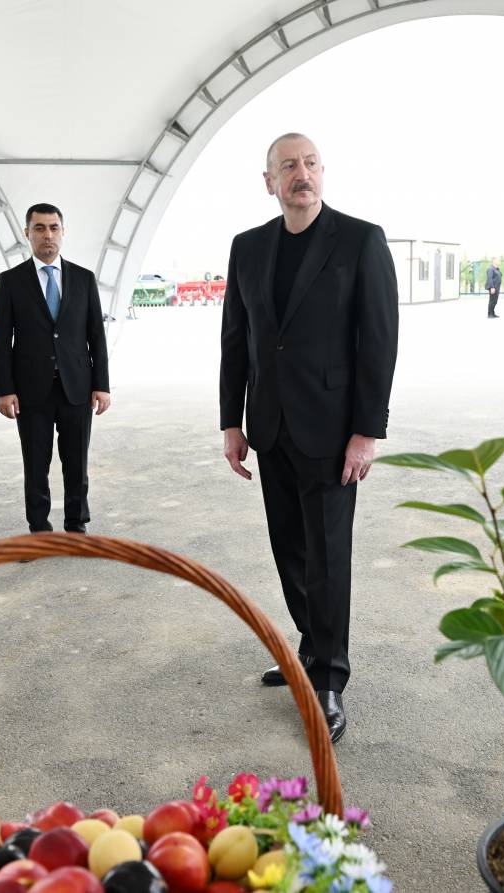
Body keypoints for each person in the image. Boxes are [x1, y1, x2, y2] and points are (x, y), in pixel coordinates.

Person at [219, 133, 399, 743]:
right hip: (271, 427)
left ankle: (328, 678)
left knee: (327, 557)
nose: (303, 174)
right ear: (269, 181)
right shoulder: (248, 248)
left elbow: (379, 342)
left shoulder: (360, 240)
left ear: (323, 172)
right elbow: (236, 339)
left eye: (311, 163)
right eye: (289, 166)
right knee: (290, 550)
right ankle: (310, 646)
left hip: (332, 430)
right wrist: (232, 421)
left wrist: (366, 432)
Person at [0, 203, 110, 535]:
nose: (48, 235)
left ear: (62, 232)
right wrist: (5, 389)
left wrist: (102, 384)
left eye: (54, 228)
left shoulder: (84, 279)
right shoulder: (11, 281)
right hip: (31, 390)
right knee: (35, 464)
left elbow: (96, 336)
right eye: (40, 228)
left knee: (77, 464)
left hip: (77, 387)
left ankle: (77, 524)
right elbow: (1, 341)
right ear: (27, 233)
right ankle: (39, 530)